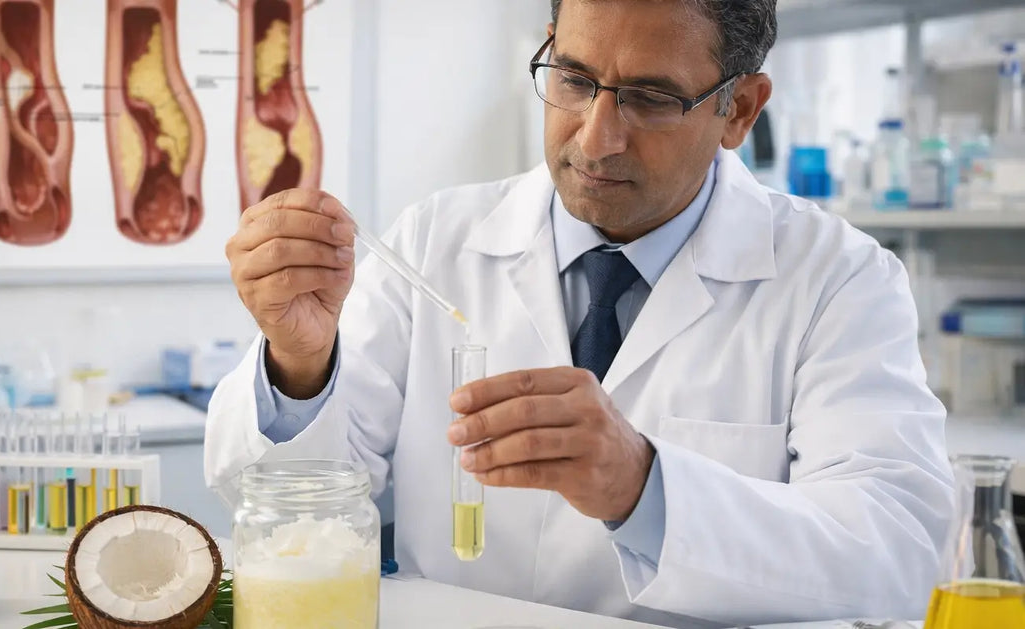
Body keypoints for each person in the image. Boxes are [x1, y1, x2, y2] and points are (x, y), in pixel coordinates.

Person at [205, 0, 953, 626]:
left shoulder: (837, 280)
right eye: (574, 78)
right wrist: (299, 365)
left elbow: (895, 549)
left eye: (652, 98)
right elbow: (288, 508)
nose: (597, 137)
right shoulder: (437, 241)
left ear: (741, 110)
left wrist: (645, 486)